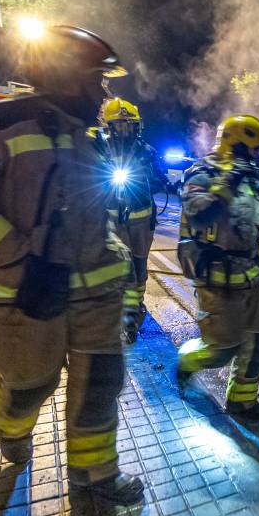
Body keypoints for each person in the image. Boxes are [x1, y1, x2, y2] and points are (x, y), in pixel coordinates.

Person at [0, 25, 144, 505]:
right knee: (29, 384)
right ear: (65, 77)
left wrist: (124, 281)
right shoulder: (0, 125)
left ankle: (96, 478)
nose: (103, 92)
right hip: (29, 295)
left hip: (95, 296)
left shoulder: (88, 135)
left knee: (100, 386)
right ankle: (7, 423)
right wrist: (15, 258)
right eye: (96, 80)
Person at [175, 115, 259, 420]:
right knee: (221, 350)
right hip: (216, 282)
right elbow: (199, 213)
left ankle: (241, 404)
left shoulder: (248, 181)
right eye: (255, 150)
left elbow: (251, 233)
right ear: (238, 145)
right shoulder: (202, 174)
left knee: (257, 350)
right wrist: (228, 180)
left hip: (247, 281)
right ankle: (185, 363)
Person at [97, 97, 162, 343]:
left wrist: (148, 180)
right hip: (114, 222)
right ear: (110, 127)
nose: (125, 129)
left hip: (142, 222)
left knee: (139, 266)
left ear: (136, 126)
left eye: (129, 125)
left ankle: (136, 307)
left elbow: (159, 179)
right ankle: (122, 312)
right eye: (120, 125)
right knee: (119, 268)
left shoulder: (146, 151)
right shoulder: (100, 149)